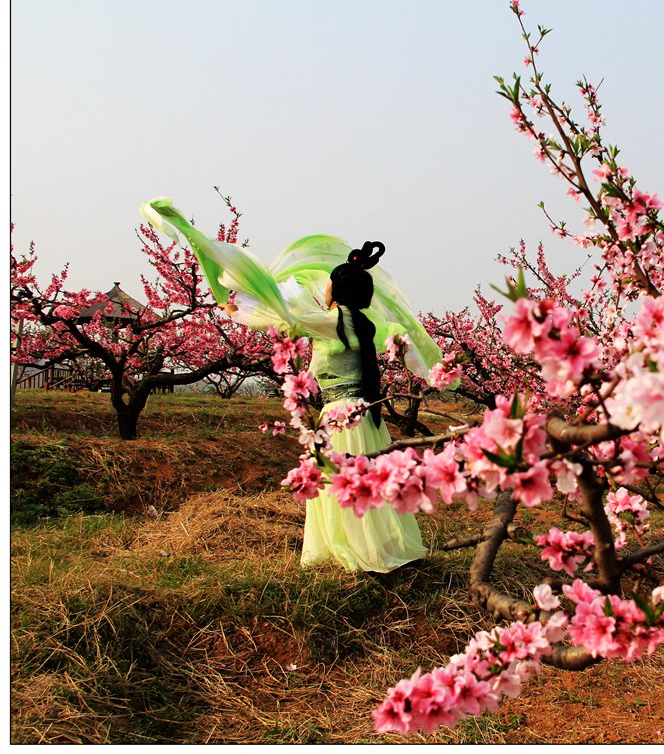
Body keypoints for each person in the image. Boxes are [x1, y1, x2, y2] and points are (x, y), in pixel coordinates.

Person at [140, 198, 440, 572]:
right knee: (359, 487)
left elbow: (288, 317)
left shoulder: (336, 321)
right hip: (360, 416)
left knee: (342, 487)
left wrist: (236, 310)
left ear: (339, 292)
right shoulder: (363, 322)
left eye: (328, 284)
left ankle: (359, 555)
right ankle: (371, 549)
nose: (324, 290)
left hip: (343, 417)